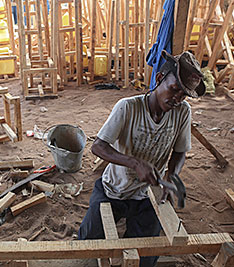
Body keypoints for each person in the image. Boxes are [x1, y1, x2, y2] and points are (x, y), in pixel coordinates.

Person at [78, 50, 206, 267]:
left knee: (145, 257)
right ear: (159, 79)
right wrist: (134, 163)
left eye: (183, 95)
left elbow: (180, 151)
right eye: (174, 89)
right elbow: (98, 147)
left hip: (148, 195)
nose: (177, 99)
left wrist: (172, 175)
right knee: (87, 245)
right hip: (114, 189)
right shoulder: (128, 107)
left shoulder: (182, 112)